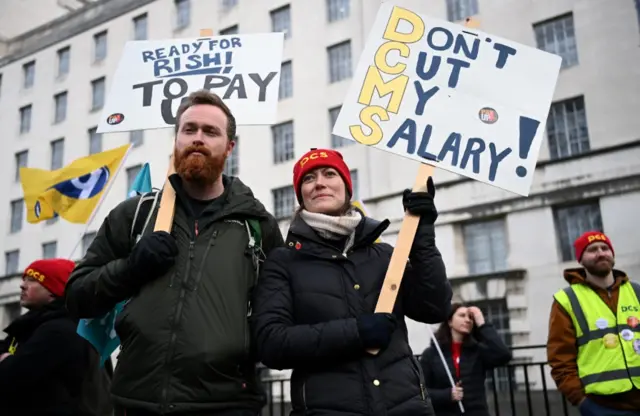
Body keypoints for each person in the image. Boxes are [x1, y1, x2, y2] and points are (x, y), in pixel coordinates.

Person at [65, 90, 285, 416]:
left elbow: (278, 312)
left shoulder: (256, 225)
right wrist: (131, 268)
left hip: (228, 404)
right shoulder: (135, 215)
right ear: (176, 139)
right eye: (189, 129)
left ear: (229, 147)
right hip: (137, 402)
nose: (198, 138)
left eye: (210, 132)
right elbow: (77, 296)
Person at [250, 148, 453, 416]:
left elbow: (433, 308)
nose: (319, 182)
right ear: (301, 196)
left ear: (347, 188)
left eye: (330, 173)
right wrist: (355, 332)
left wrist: (423, 237)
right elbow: (271, 344)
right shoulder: (283, 262)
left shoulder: (384, 255)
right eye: (308, 179)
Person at [0, 258, 112, 415]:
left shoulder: (60, 330)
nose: (22, 285)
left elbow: (12, 377)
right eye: (24, 279)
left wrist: (7, 360)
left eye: (32, 280)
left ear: (54, 291)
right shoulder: (31, 325)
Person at [547, 231, 640, 415]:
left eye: (605, 248)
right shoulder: (567, 300)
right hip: (603, 407)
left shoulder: (637, 291)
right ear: (581, 259)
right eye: (592, 250)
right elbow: (560, 358)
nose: (600, 253)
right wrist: (581, 401)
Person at [419, 303, 512, 416]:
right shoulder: (431, 354)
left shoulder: (477, 351)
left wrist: (482, 323)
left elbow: (503, 355)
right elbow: (421, 392)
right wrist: (447, 395)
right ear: (450, 322)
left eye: (470, 317)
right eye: (462, 315)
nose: (467, 320)